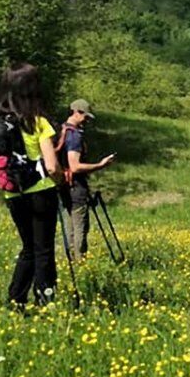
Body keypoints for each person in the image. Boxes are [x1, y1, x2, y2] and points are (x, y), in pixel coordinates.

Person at [0, 63, 62, 308]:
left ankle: (15, 299)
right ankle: (46, 299)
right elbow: (52, 167)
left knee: (28, 247)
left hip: (13, 194)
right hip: (41, 192)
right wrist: (61, 182)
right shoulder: (38, 122)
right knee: (43, 249)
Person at [56, 98, 115, 258]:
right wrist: (100, 165)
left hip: (63, 185)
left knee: (70, 226)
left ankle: (69, 260)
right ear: (77, 112)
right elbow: (75, 166)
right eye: (85, 117)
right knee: (80, 226)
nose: (87, 120)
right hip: (76, 186)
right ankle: (79, 262)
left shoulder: (62, 130)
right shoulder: (74, 136)